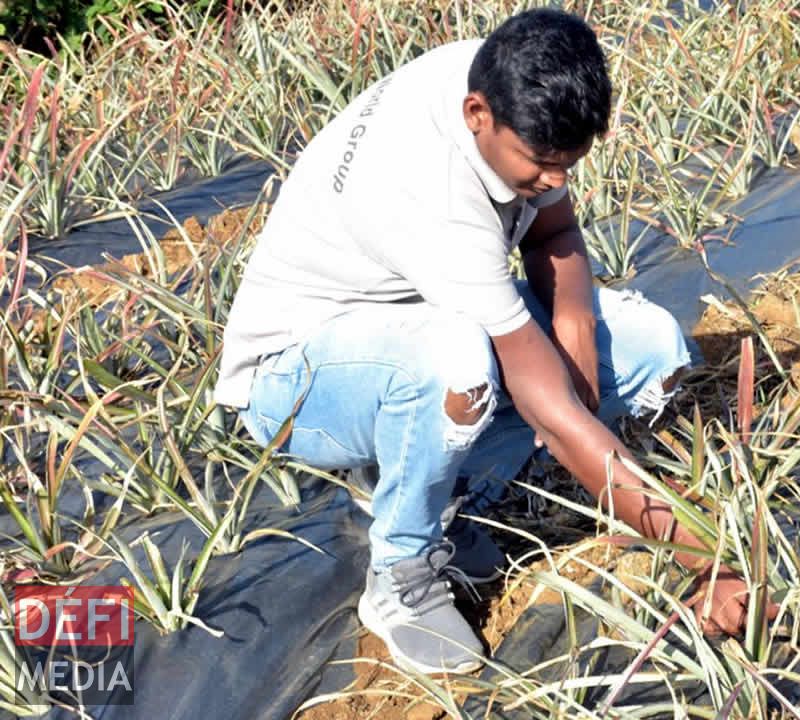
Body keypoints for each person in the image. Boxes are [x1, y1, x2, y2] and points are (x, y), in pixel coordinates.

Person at [213, 8, 761, 676]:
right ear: (478, 114)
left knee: (648, 346)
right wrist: (704, 554)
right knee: (457, 369)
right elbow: (548, 412)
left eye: (569, 164)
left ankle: (437, 481)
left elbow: (555, 235)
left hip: (418, 319)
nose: (557, 182)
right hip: (296, 380)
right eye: (542, 165)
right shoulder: (436, 195)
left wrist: (579, 366)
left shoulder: (506, 77)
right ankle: (401, 572)